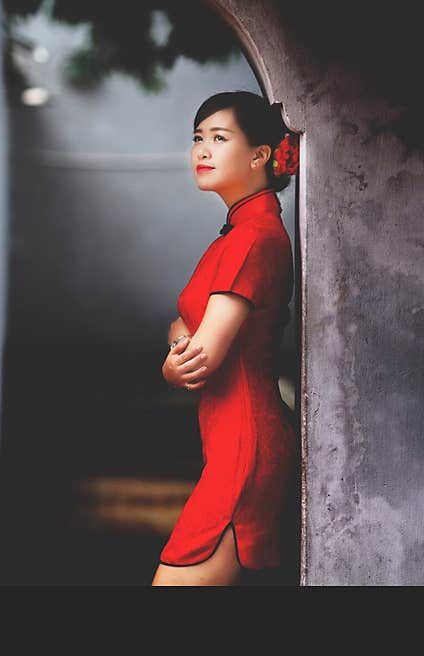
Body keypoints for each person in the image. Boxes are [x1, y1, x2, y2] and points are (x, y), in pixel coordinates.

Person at [151, 91, 299, 586]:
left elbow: (201, 357)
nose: (202, 150)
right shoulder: (242, 231)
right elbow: (187, 326)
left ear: (260, 155)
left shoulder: (253, 237)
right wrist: (182, 337)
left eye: (219, 138)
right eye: (197, 138)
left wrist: (175, 361)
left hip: (244, 446)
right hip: (236, 441)